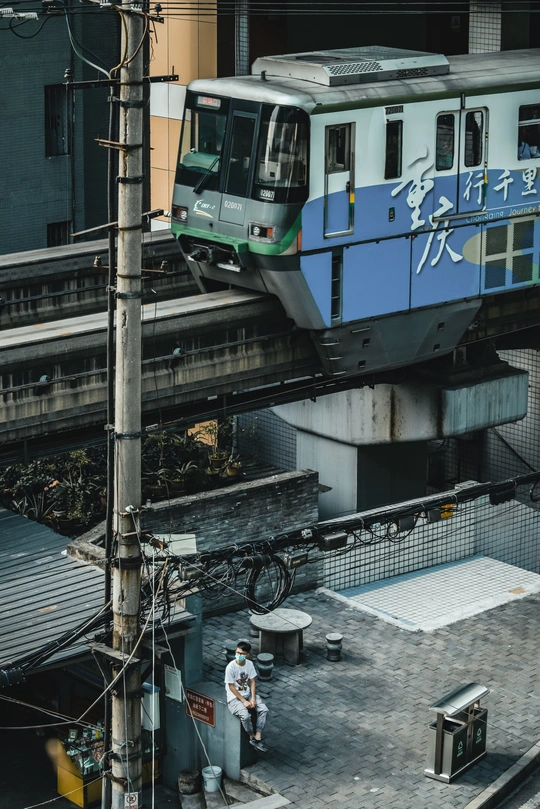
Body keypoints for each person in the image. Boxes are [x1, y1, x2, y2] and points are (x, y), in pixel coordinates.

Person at [224, 641, 269, 751]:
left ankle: (258, 735)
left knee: (263, 709)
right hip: (234, 698)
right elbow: (231, 687)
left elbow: (252, 681)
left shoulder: (249, 664)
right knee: (245, 716)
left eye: (241, 653)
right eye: (237, 652)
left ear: (247, 655)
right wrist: (244, 701)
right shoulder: (230, 667)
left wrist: (253, 698)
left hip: (247, 693)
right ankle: (251, 735)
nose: (238, 655)